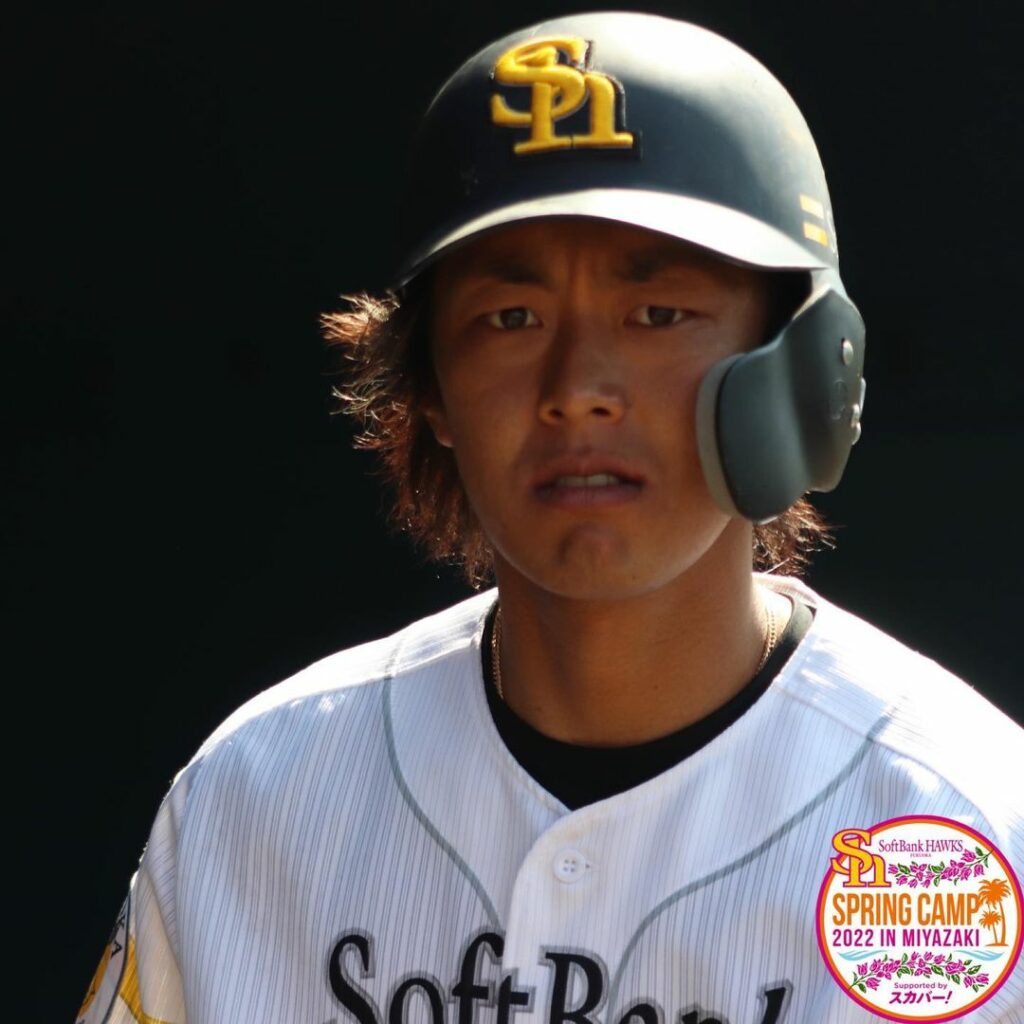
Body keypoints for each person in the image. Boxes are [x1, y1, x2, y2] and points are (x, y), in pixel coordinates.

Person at [77, 12, 1024, 1024]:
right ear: (430, 386)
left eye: (657, 314)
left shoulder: (969, 822)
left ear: (802, 364)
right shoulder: (254, 799)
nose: (577, 389)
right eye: (510, 318)